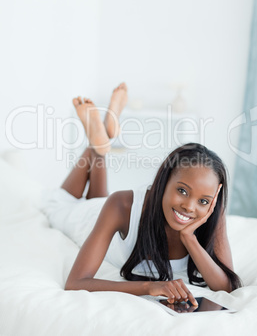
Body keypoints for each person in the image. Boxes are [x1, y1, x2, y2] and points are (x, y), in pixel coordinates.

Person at [41, 82, 241, 307]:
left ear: (213, 200)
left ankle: (100, 142)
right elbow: (76, 282)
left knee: (98, 198)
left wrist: (189, 237)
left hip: (105, 210)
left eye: (203, 201)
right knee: (59, 202)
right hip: (88, 218)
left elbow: (226, 287)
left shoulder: (210, 213)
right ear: (164, 180)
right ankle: (96, 145)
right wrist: (149, 287)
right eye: (182, 191)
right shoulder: (122, 204)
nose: (190, 206)